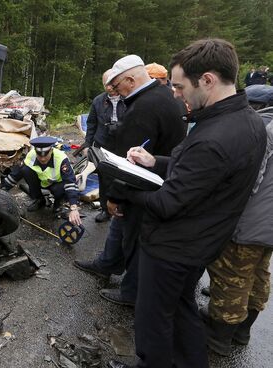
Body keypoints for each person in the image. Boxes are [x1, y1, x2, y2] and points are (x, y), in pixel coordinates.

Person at [106, 38, 267, 368]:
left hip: (173, 247)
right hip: (200, 242)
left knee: (153, 320)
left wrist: (122, 180)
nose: (175, 94)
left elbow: (167, 203)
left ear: (207, 80)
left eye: (179, 87)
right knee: (181, 311)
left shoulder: (215, 136)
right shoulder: (246, 119)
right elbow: (201, 173)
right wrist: (155, 162)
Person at [74, 55, 186, 308]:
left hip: (144, 185)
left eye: (117, 85)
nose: (115, 91)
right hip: (160, 178)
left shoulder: (143, 107)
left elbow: (130, 164)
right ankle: (108, 263)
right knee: (120, 230)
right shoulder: (163, 95)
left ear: (131, 79)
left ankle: (132, 292)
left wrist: (115, 197)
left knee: (135, 237)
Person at [203, 90, 273, 357]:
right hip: (268, 225)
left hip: (254, 218)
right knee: (258, 271)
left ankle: (219, 336)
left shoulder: (265, 128)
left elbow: (252, 178)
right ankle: (243, 330)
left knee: (232, 275)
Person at [1, 136, 82, 226]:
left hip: (58, 184)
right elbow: (16, 174)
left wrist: (73, 208)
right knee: (25, 170)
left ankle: (58, 203)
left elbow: (70, 182)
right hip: (42, 182)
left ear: (51, 151)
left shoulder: (61, 158)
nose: (43, 159)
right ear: (36, 152)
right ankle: (39, 199)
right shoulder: (31, 155)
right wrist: (2, 190)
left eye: (46, 155)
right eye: (39, 155)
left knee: (59, 190)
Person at [83, 69, 127, 222]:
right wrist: (88, 145)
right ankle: (105, 209)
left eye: (111, 83)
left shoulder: (128, 98)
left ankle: (122, 207)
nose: (109, 87)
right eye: (105, 84)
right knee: (104, 177)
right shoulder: (98, 101)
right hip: (103, 144)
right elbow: (91, 123)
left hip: (123, 145)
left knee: (123, 176)